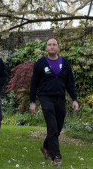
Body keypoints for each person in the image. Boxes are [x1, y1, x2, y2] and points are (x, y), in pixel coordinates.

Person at [30, 38, 79, 167]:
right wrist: (32, 102)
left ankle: (46, 146)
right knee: (52, 126)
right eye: (49, 45)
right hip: (45, 98)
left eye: (54, 45)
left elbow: (70, 83)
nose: (52, 47)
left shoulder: (65, 63)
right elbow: (34, 83)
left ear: (58, 47)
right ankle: (56, 156)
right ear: (46, 48)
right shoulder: (40, 63)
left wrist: (74, 99)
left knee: (58, 127)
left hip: (60, 98)